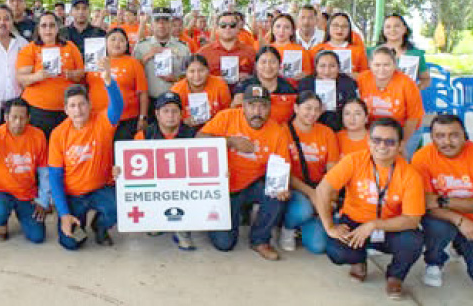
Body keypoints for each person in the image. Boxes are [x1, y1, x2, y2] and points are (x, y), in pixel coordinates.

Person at [315, 118, 425, 301]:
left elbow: (412, 220)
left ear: (400, 145)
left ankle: (395, 276)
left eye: (390, 142)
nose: (382, 146)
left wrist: (374, 225)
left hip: (389, 226)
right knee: (336, 249)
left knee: (413, 241)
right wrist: (329, 226)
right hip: (354, 222)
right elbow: (322, 190)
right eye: (376, 140)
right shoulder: (353, 161)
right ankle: (358, 262)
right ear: (368, 141)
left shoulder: (410, 174)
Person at [198, 86, 291, 261]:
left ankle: (260, 240)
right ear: (243, 106)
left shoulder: (277, 132)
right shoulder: (226, 116)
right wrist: (230, 141)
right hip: (223, 187)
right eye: (252, 105)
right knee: (225, 244)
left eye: (263, 106)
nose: (257, 112)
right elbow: (199, 139)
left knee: (276, 195)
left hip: (251, 184)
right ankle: (216, 217)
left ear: (270, 108)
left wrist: (281, 188)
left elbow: (281, 168)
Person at [411, 114, 473, 289]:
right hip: (442, 220)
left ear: (464, 135)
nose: (447, 142)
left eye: (453, 135)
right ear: (432, 138)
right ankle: (435, 261)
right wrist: (460, 220)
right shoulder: (421, 158)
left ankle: (460, 245)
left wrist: (441, 200)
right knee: (437, 226)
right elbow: (425, 204)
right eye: (440, 136)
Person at [49, 57, 124, 250]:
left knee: (117, 208)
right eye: (72, 106)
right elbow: (55, 176)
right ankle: (77, 223)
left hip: (100, 189)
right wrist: (64, 214)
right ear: (66, 110)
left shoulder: (102, 122)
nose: (78, 110)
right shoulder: (58, 134)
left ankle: (99, 226)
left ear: (90, 105)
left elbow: (117, 106)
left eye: (82, 104)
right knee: (71, 243)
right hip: (73, 195)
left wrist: (108, 80)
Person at [0, 99, 49, 243]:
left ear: (29, 118)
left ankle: (22, 214)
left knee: (37, 236)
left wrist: (43, 200)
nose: (18, 122)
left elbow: (44, 171)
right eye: (14, 117)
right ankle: (1, 222)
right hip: (0, 191)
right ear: (6, 117)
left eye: (22, 118)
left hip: (26, 193)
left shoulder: (38, 136)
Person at [132, 92, 199, 250]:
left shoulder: (193, 135)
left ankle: (182, 229)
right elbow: (132, 168)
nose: (170, 115)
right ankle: (156, 220)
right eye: (166, 111)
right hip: (155, 185)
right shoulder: (144, 135)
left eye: (175, 111)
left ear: (181, 114)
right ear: (157, 114)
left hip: (183, 185)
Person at [280, 91, 339, 254]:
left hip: (320, 187)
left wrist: (327, 196)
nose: (312, 113)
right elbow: (284, 173)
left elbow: (333, 171)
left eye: (317, 109)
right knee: (304, 210)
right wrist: (312, 195)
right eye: (308, 108)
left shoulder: (327, 133)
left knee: (318, 247)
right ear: (296, 108)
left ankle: (304, 225)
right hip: (294, 188)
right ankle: (287, 228)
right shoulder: (283, 131)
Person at [16, 12, 84, 138]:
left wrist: (71, 74)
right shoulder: (30, 49)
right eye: (44, 25)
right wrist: (37, 76)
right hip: (38, 110)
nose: (48, 29)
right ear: (38, 29)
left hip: (67, 110)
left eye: (52, 25)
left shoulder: (70, 47)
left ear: (58, 28)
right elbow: (21, 79)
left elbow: (81, 73)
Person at [356, 47, 423, 157]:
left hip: (404, 129)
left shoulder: (407, 83)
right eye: (377, 65)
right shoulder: (362, 78)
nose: (381, 69)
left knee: (397, 158)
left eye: (386, 65)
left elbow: (413, 119)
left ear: (394, 65)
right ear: (370, 64)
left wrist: (401, 143)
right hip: (374, 129)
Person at [86, 28, 149, 141]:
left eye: (121, 40)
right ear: (105, 43)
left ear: (126, 45)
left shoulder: (133, 63)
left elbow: (143, 93)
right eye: (113, 39)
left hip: (126, 120)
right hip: (98, 118)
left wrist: (142, 117)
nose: (117, 43)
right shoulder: (94, 62)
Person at [133, 8, 191, 118]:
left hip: (174, 101)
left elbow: (188, 76)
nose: (161, 25)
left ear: (171, 24)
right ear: (151, 25)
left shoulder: (183, 48)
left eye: (165, 21)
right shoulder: (141, 47)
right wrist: (147, 56)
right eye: (157, 21)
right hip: (148, 102)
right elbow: (132, 75)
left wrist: (175, 79)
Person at [231, 47, 298, 125]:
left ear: (280, 65)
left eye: (273, 62)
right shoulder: (244, 87)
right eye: (263, 62)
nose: (268, 66)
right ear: (256, 65)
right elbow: (234, 115)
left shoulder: (288, 89)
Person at [297, 50, 359, 132]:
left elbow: (353, 107)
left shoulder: (347, 83)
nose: (327, 71)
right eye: (322, 66)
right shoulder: (306, 83)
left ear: (338, 67)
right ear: (316, 67)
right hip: (311, 127)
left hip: (341, 128)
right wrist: (315, 111)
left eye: (332, 66)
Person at [169, 55, 231, 134]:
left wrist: (213, 121)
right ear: (185, 73)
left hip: (216, 129)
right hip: (186, 130)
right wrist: (183, 121)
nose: (197, 76)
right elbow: (170, 117)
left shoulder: (220, 85)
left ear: (208, 70)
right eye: (192, 71)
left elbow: (227, 112)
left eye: (201, 70)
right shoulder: (176, 90)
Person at [198, 11, 256, 89]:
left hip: (243, 93)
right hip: (214, 93)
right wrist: (213, 79)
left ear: (238, 28)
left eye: (232, 25)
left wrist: (249, 77)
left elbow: (259, 76)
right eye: (223, 25)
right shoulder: (204, 52)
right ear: (217, 29)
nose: (228, 28)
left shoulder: (250, 51)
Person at [374, 14, 431, 89]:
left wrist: (414, 89)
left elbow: (425, 79)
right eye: (388, 27)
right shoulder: (371, 52)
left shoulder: (416, 54)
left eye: (396, 26)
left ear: (404, 29)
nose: (392, 30)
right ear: (383, 31)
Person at [269, 13, 312, 81]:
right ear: (272, 29)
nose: (281, 31)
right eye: (278, 26)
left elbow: (308, 72)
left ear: (292, 31)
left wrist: (303, 75)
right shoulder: (267, 50)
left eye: (286, 27)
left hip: (294, 86)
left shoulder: (301, 50)